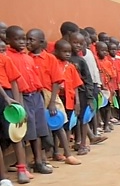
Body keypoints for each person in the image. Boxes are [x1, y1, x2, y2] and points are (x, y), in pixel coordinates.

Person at [27, 29, 81, 166]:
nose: (27, 42)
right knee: (40, 127)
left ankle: (68, 154)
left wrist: (52, 101)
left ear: (41, 42)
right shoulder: (28, 58)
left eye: (31, 39)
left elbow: (57, 80)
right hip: (34, 94)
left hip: (49, 94)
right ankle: (42, 156)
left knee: (57, 123)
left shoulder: (50, 58)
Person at [5, 26, 53, 177]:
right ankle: (23, 165)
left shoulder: (28, 57)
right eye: (17, 39)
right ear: (8, 41)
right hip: (22, 97)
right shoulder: (8, 57)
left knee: (39, 129)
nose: (22, 42)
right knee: (27, 130)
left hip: (35, 95)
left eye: (24, 39)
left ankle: (39, 161)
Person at [53, 40, 84, 164]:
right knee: (56, 124)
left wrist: (77, 101)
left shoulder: (71, 67)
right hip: (57, 98)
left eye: (69, 52)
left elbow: (76, 85)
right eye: (64, 51)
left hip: (69, 99)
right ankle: (56, 151)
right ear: (56, 51)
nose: (67, 54)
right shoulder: (54, 64)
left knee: (67, 125)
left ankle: (66, 149)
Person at [0, 38, 24, 186]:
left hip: (6, 99)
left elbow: (14, 81)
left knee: (15, 134)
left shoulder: (5, 59)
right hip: (4, 96)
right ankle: (3, 178)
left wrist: (16, 101)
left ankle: (22, 169)